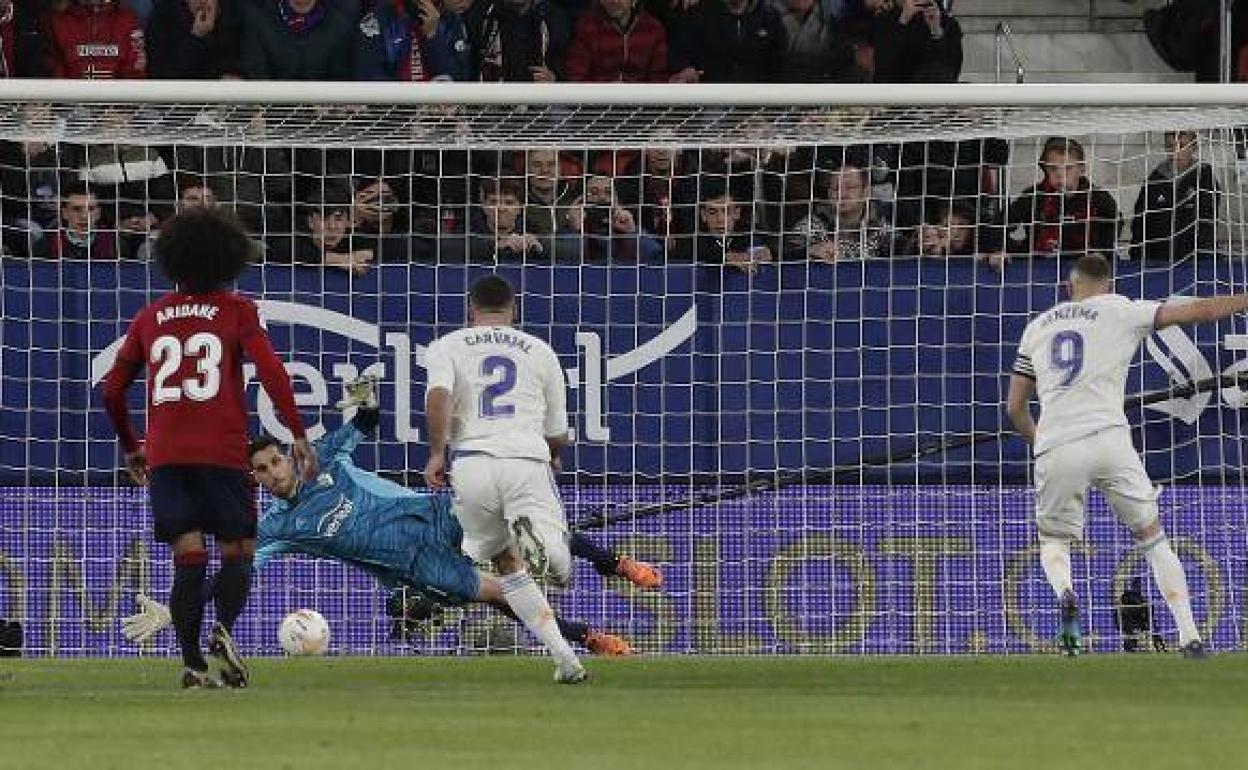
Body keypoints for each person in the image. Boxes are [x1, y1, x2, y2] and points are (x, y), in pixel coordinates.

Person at [121, 377, 648, 658]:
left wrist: (366, 400)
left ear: (287, 454)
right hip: (414, 569)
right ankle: (589, 639)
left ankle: (614, 562)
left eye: (274, 461)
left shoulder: (323, 459)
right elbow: (236, 571)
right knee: (503, 595)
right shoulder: (276, 526)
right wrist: (180, 609)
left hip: (432, 516)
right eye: (260, 471)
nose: (271, 473)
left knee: (515, 516)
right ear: (253, 478)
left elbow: (365, 423)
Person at [101, 207, 317, 688]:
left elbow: (112, 391)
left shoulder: (149, 316)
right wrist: (298, 431)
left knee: (187, 555)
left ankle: (192, 663)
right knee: (238, 549)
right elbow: (272, 371)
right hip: (221, 453)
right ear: (228, 259)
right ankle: (222, 629)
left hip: (167, 456)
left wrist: (131, 445)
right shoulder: (237, 311)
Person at [1005, 252, 1247, 659]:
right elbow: (1201, 311)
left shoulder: (1037, 328)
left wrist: (1042, 442)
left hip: (1058, 442)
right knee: (1153, 539)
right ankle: (1190, 636)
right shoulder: (1122, 310)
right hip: (1110, 440)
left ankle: (1066, 598)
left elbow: (1014, 408)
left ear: (1069, 288)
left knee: (1054, 540)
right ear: (1110, 286)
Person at [422, 275, 587, 683]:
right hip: (525, 459)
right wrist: (555, 455)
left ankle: (566, 660)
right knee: (560, 567)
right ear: (513, 310)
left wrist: (438, 452)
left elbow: (439, 397)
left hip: (472, 464)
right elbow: (557, 433)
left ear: (470, 309)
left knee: (506, 567)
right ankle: (548, 553)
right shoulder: (540, 351)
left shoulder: (447, 345)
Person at [1131, 130, 1220, 262]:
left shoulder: (1205, 178)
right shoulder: (1154, 180)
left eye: (1182, 145)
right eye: (1170, 146)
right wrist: (1136, 255)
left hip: (1194, 261)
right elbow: (1140, 223)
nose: (1175, 151)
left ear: (1194, 147)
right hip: (1157, 260)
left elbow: (1207, 223)